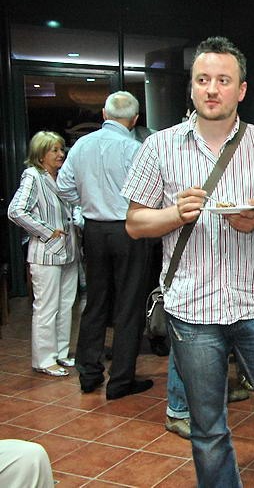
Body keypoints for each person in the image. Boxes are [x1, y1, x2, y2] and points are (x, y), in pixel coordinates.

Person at [122, 36, 254, 487]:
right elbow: (135, 223)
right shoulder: (159, 146)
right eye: (203, 80)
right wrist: (174, 214)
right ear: (192, 87)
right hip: (191, 310)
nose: (212, 89)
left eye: (223, 80)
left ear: (241, 89)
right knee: (208, 429)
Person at [57, 91, 153, 399]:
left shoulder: (81, 145)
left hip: (94, 230)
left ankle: (88, 373)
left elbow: (63, 187)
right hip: (129, 229)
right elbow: (150, 194)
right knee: (129, 304)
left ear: (103, 114)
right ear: (135, 119)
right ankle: (120, 380)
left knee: (95, 301)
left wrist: (87, 202)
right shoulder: (134, 148)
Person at [8, 131, 79, 377]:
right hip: (46, 254)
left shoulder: (62, 177)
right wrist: (48, 232)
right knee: (47, 308)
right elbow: (16, 211)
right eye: (54, 150)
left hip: (69, 252)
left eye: (61, 149)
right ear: (40, 156)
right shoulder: (33, 176)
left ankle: (60, 352)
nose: (61, 154)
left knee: (66, 305)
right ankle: (44, 359)